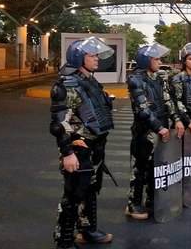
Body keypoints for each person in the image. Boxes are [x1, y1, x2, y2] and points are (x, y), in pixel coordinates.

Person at [49, 36, 115, 248]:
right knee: (73, 195)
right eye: (92, 55)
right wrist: (67, 153)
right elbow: (59, 125)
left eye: (96, 54)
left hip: (95, 147)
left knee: (90, 191)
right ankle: (65, 241)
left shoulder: (89, 81)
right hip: (78, 149)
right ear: (79, 58)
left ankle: (87, 230)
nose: (97, 59)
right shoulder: (68, 86)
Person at [125, 43, 185, 220]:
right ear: (146, 60)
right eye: (156, 59)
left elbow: (167, 100)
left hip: (161, 128)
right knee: (140, 168)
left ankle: (151, 198)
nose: (160, 61)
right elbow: (142, 110)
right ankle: (133, 203)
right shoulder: (136, 80)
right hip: (145, 131)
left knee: (155, 166)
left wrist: (176, 119)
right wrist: (159, 127)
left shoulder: (158, 78)